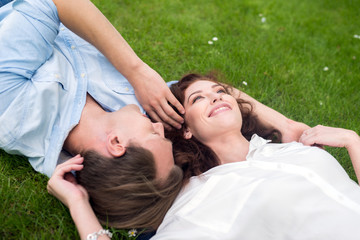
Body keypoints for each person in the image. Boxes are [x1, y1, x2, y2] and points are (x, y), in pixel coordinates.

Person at [151, 73, 360, 239]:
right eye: (197, 98)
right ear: (186, 129)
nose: (217, 96)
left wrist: (353, 141)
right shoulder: (202, 193)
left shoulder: (293, 148)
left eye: (221, 91)